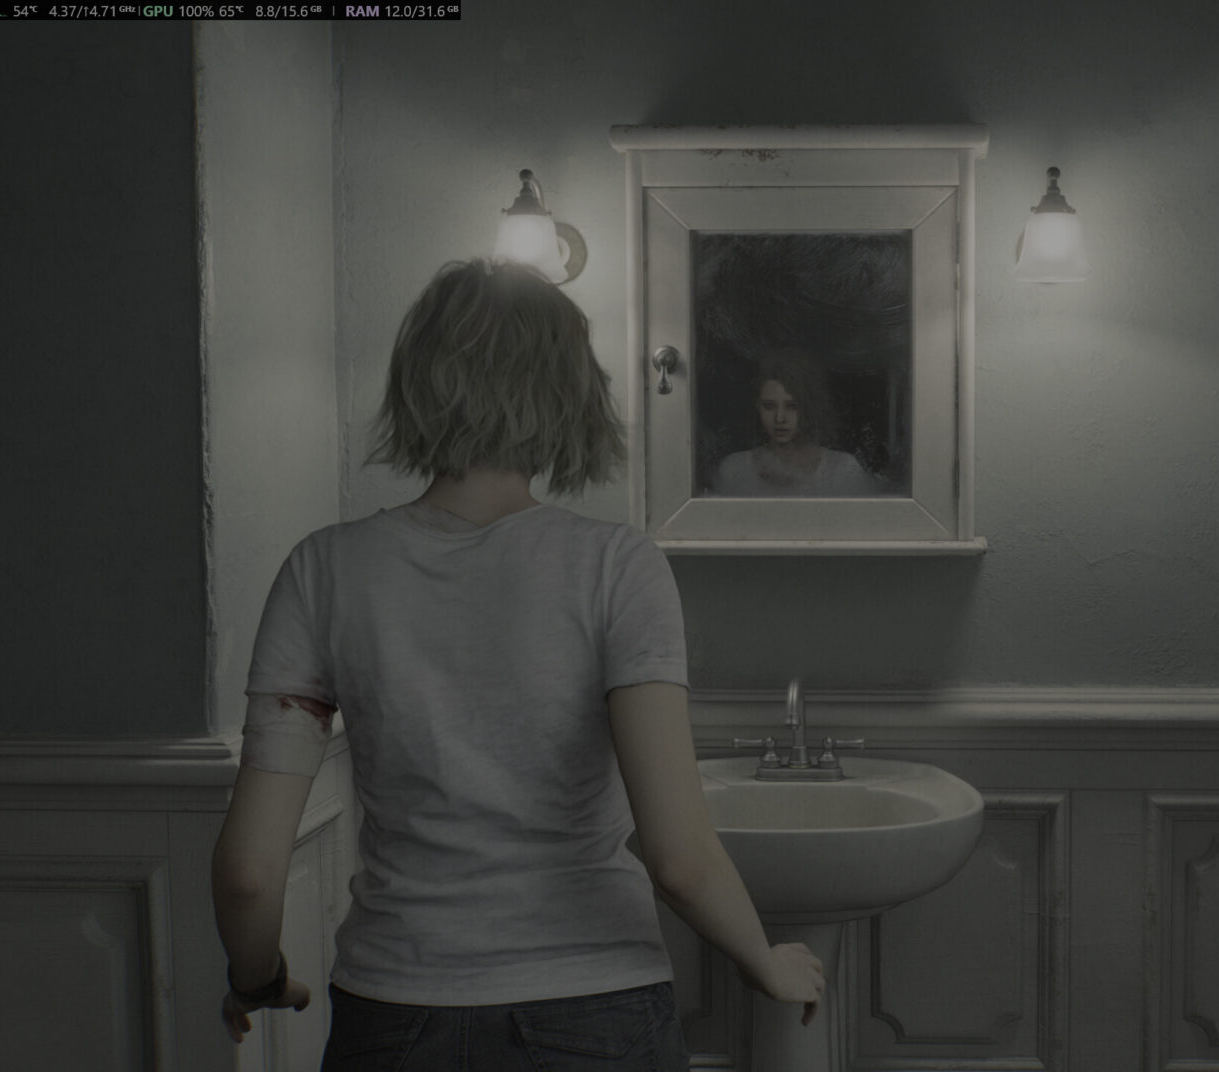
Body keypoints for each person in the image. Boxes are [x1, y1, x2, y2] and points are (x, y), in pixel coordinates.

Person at [209, 258, 826, 1070]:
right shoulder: (617, 567)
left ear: (416, 383)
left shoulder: (321, 571)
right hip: (597, 1007)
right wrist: (763, 961)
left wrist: (255, 977)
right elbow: (678, 858)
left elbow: (250, 874)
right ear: (567, 393)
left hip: (396, 1013)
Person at [709, 348, 888, 496]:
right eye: (769, 406)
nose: (779, 418)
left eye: (792, 406)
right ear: (758, 407)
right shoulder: (735, 469)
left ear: (808, 407)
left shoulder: (844, 470)